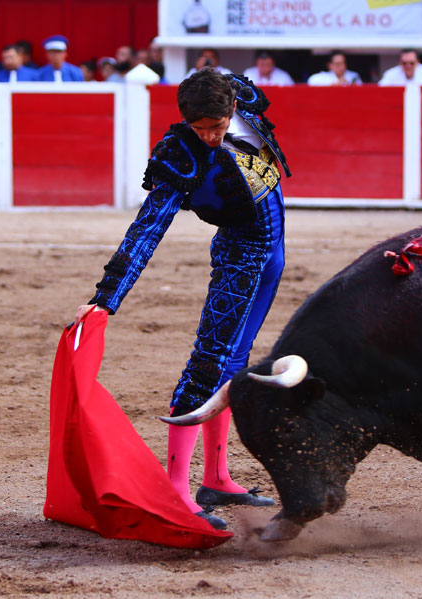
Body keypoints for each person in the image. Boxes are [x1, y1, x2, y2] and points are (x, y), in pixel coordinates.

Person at [75, 68, 291, 530]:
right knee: (209, 362)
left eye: (217, 127)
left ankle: (215, 478)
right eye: (201, 130)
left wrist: (220, 80)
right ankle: (174, 488)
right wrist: (105, 298)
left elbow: (253, 93)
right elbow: (146, 231)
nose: (212, 138)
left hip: (273, 254)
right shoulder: (180, 156)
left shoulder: (242, 104)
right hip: (240, 257)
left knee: (234, 362)